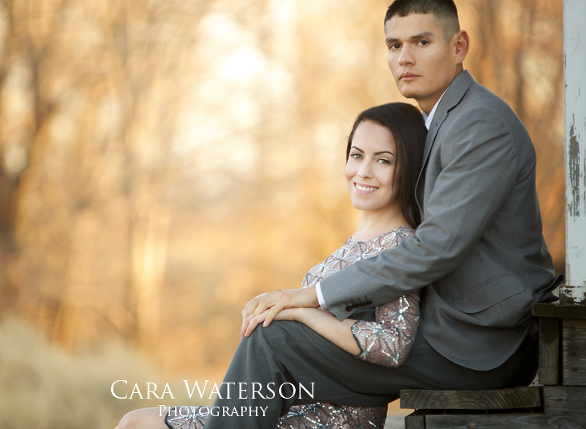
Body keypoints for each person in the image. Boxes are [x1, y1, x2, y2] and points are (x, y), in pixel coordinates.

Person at [196, 0, 560, 429]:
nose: (404, 58)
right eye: (394, 45)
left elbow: (437, 246)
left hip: (479, 346)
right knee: (277, 354)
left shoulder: (479, 123)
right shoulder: (442, 121)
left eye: (421, 42)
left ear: (458, 46)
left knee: (271, 342)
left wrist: (311, 296)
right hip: (451, 333)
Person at [115, 102, 428, 429]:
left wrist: (304, 313)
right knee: (136, 421)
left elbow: (393, 344)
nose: (363, 170)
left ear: (408, 168)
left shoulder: (402, 247)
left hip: (331, 418)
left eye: (383, 160)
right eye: (356, 155)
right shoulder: (350, 245)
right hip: (288, 404)